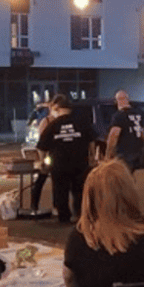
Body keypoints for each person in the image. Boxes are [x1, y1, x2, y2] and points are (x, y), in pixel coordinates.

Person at [36, 94, 96, 223]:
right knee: (79, 190)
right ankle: (80, 215)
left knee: (60, 191)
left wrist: (42, 162)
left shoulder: (53, 125)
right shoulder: (81, 122)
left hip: (59, 164)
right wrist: (92, 157)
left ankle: (64, 217)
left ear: (57, 109)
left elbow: (41, 146)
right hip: (80, 163)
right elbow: (92, 141)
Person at [105, 90, 144, 171]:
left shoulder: (119, 116)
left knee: (122, 178)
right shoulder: (138, 114)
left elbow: (114, 135)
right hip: (138, 151)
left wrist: (108, 154)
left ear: (118, 101)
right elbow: (142, 133)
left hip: (124, 153)